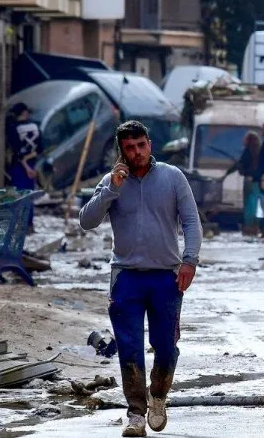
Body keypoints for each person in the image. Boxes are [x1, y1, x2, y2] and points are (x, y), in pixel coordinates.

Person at [80, 121, 202, 437]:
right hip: (126, 278)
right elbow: (87, 221)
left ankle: (158, 395)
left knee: (166, 346)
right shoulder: (111, 182)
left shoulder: (173, 177)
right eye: (129, 148)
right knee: (129, 347)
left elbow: (191, 221)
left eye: (141, 145)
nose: (136, 152)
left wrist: (189, 260)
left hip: (166, 277)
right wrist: (112, 189)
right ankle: (135, 413)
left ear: (149, 144)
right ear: (121, 152)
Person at [224, 132, 261, 236]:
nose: (243, 140)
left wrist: (230, 172)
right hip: (257, 181)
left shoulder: (247, 152)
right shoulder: (259, 151)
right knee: (255, 203)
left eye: (245, 138)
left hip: (249, 180)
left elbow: (241, 164)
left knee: (249, 204)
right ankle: (256, 225)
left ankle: (248, 226)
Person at [6, 103, 42, 190]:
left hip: (18, 167)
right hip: (32, 164)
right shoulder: (36, 126)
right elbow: (40, 149)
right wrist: (28, 163)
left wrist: (26, 167)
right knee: (30, 193)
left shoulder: (13, 128)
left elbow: (17, 151)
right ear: (25, 113)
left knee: (19, 193)